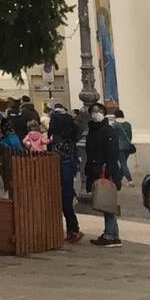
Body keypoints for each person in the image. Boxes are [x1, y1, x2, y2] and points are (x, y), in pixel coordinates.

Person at [83, 104, 123, 246]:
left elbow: (113, 153)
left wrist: (109, 170)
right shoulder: (93, 131)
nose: (96, 114)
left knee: (107, 203)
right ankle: (113, 234)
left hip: (106, 172)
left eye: (99, 111)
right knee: (107, 203)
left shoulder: (108, 131)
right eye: (93, 111)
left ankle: (110, 235)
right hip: (96, 170)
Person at [48, 103, 83, 244]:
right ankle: (72, 230)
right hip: (66, 180)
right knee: (67, 203)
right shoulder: (70, 143)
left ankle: (72, 230)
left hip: (61, 182)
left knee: (65, 203)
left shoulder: (57, 144)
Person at [111, 106, 134, 185]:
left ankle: (130, 180)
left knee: (123, 164)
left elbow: (112, 137)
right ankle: (118, 180)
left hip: (118, 147)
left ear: (115, 116)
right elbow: (130, 135)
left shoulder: (114, 125)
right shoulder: (128, 124)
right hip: (127, 146)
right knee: (124, 163)